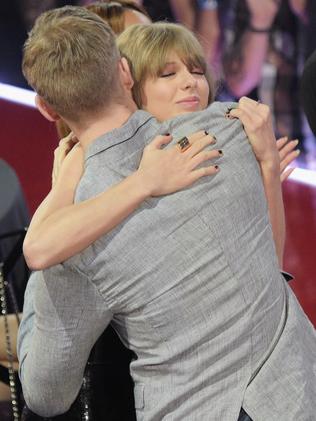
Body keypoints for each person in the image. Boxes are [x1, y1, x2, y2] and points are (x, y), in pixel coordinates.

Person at [18, 7, 316, 420]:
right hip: (297, 396)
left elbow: (46, 394)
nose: (188, 84)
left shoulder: (73, 242)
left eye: (192, 71)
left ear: (47, 108)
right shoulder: (230, 132)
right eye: (166, 73)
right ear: (126, 74)